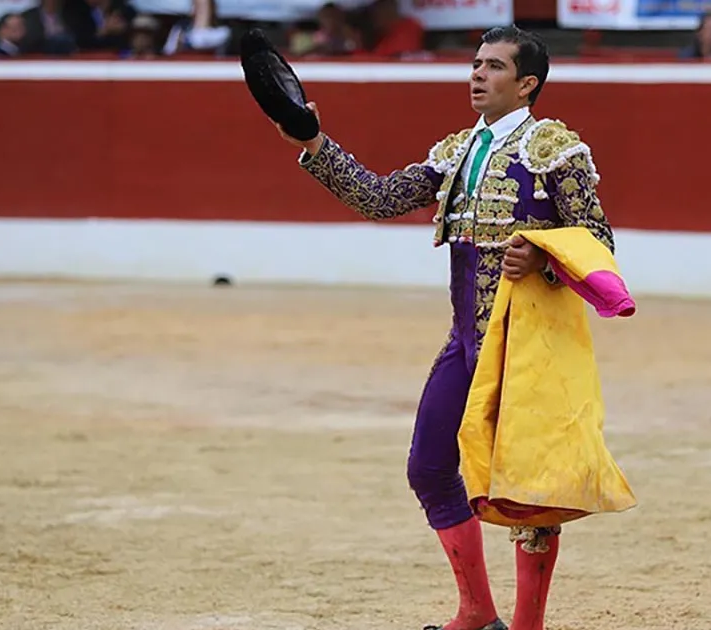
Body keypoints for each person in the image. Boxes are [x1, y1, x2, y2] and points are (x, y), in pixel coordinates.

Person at [274, 25, 614, 630]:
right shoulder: (458, 151)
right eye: (476, 63)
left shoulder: (556, 150)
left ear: (527, 84)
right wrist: (314, 143)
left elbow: (599, 242)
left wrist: (543, 257)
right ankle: (477, 611)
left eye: (494, 66)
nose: (477, 73)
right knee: (429, 467)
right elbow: (380, 197)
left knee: (529, 487)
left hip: (526, 345)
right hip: (465, 342)